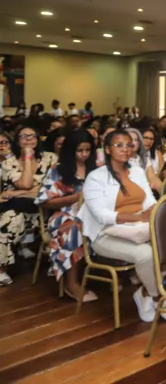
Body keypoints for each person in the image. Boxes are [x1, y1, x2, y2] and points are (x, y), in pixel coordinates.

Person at [78, 130, 166, 322]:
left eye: (128, 145)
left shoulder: (138, 172)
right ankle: (158, 297)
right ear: (107, 150)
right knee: (146, 255)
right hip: (106, 234)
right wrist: (138, 217)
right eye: (119, 145)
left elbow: (149, 201)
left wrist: (150, 212)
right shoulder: (96, 177)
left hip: (139, 230)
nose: (125, 149)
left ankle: (145, 293)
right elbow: (101, 214)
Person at [35, 129, 98, 301]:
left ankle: (112, 276)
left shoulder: (97, 169)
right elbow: (45, 201)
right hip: (64, 214)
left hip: (93, 213)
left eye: (87, 150)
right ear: (71, 150)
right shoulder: (59, 171)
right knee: (74, 228)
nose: (84, 154)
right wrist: (75, 197)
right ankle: (71, 282)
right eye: (80, 150)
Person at [0, 126, 58, 285]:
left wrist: (18, 192)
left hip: (48, 205)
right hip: (22, 208)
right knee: (7, 220)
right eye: (23, 136)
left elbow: (51, 188)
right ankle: (1, 270)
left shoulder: (51, 158)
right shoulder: (9, 162)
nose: (28, 139)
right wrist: (26, 158)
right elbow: (26, 184)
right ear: (16, 140)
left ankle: (58, 263)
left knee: (62, 219)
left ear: (38, 139)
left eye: (32, 136)